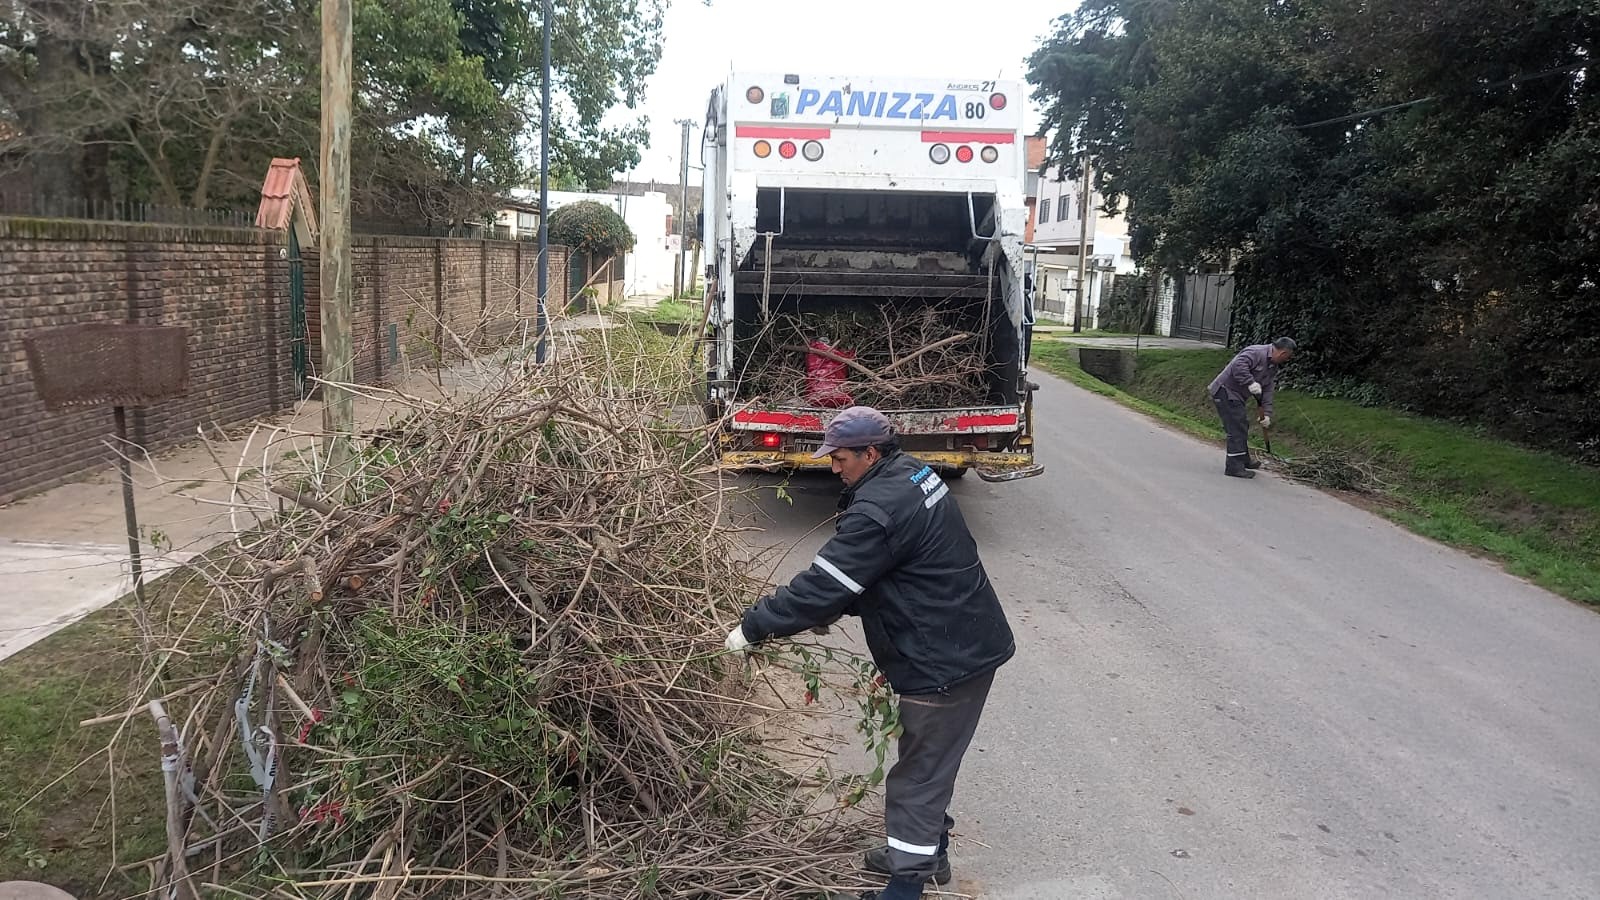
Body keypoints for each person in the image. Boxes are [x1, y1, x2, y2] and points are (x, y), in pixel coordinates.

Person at [723, 406, 1014, 900]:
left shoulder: (880, 509)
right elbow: (895, 570)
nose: (833, 467)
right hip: (960, 640)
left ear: (870, 452)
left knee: (918, 776)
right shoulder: (915, 473)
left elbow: (823, 586)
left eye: (839, 459)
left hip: (941, 659)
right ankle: (930, 855)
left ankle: (905, 887)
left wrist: (753, 628)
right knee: (931, 760)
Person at [1208, 337, 1296, 478]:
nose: (1287, 360)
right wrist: (1250, 382)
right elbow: (1238, 366)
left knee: (1242, 425)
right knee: (1237, 427)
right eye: (1287, 357)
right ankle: (1234, 467)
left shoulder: (1273, 366)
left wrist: (1267, 413)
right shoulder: (1256, 352)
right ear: (1283, 353)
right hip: (1224, 391)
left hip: (1237, 395)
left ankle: (1243, 459)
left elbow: (1267, 390)